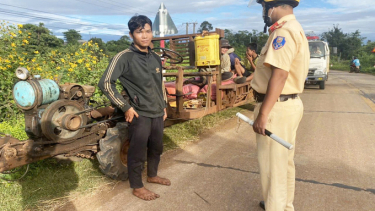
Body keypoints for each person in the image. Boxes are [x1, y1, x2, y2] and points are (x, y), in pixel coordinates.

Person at [98, 15, 170, 201]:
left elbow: (159, 84)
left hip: (157, 112)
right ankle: (137, 186)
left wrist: (164, 106)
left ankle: (152, 175)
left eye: (147, 31)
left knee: (156, 147)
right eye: (139, 32)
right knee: (137, 151)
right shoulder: (124, 57)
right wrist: (125, 107)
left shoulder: (154, 57)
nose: (144, 36)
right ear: (131, 34)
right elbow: (105, 83)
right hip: (139, 113)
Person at [248, 0, 309, 210]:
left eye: (263, 7)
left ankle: (276, 206)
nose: (263, 12)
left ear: (271, 6)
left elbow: (280, 74)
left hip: (276, 108)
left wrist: (263, 114)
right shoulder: (294, 28)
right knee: (283, 164)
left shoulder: (283, 32)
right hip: (286, 105)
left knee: (272, 168)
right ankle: (283, 205)